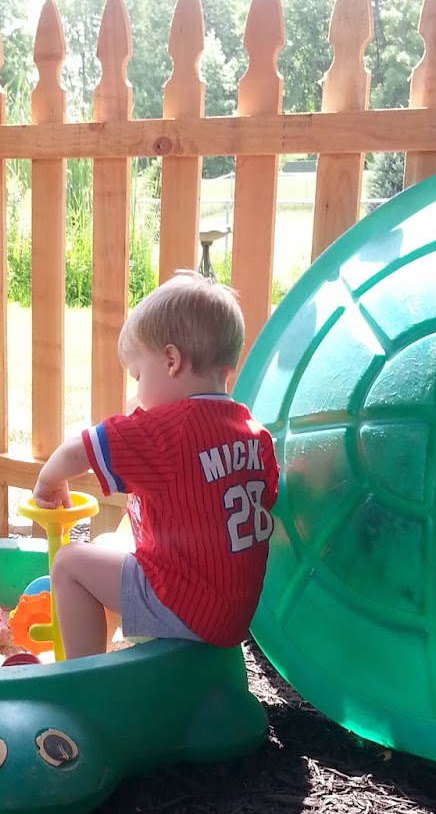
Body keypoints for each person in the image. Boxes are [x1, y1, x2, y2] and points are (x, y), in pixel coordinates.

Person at [32, 270, 280, 659]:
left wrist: (48, 482)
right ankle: (109, 648)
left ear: (171, 360)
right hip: (232, 614)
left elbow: (81, 449)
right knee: (109, 544)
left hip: (183, 604)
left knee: (69, 563)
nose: (137, 392)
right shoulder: (253, 434)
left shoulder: (167, 431)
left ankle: (82, 678)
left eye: (138, 375)